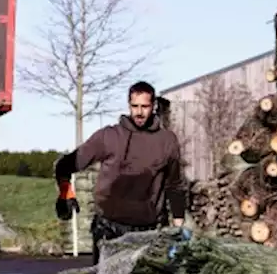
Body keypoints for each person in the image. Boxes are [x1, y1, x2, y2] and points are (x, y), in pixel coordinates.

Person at [53, 81, 187, 262]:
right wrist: (65, 191)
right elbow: (67, 164)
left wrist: (178, 226)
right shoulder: (108, 137)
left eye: (145, 106)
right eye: (135, 106)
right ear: (129, 105)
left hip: (149, 231)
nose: (139, 112)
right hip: (109, 229)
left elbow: (175, 184)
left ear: (153, 106)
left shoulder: (166, 141)